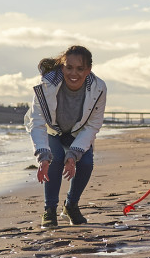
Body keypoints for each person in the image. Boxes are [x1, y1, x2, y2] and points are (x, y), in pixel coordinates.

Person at [25, 45, 107, 229]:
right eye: (69, 67)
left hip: (79, 132)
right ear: (62, 67)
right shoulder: (45, 85)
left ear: (88, 70)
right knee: (54, 159)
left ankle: (70, 206)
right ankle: (50, 210)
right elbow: (36, 121)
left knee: (85, 163)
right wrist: (42, 156)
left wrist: (74, 154)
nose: (73, 73)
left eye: (80, 69)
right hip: (52, 131)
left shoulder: (99, 88)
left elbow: (93, 124)